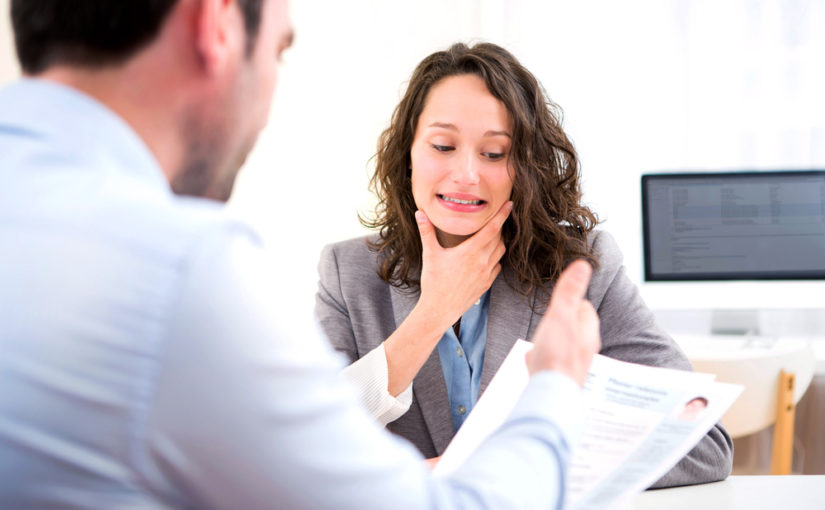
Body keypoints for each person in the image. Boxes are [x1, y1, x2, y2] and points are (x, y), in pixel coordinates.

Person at [0, 1, 602, 509]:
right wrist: (552, 390)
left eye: (494, 153)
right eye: (278, 52)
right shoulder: (181, 270)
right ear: (217, 24)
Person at [315, 42, 733, 488]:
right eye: (443, 145)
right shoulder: (347, 273)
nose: (466, 174)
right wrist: (433, 313)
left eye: (494, 153)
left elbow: (704, 445)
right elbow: (307, 448)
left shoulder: (583, 268)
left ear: (525, 166)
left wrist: (476, 469)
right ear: (408, 155)